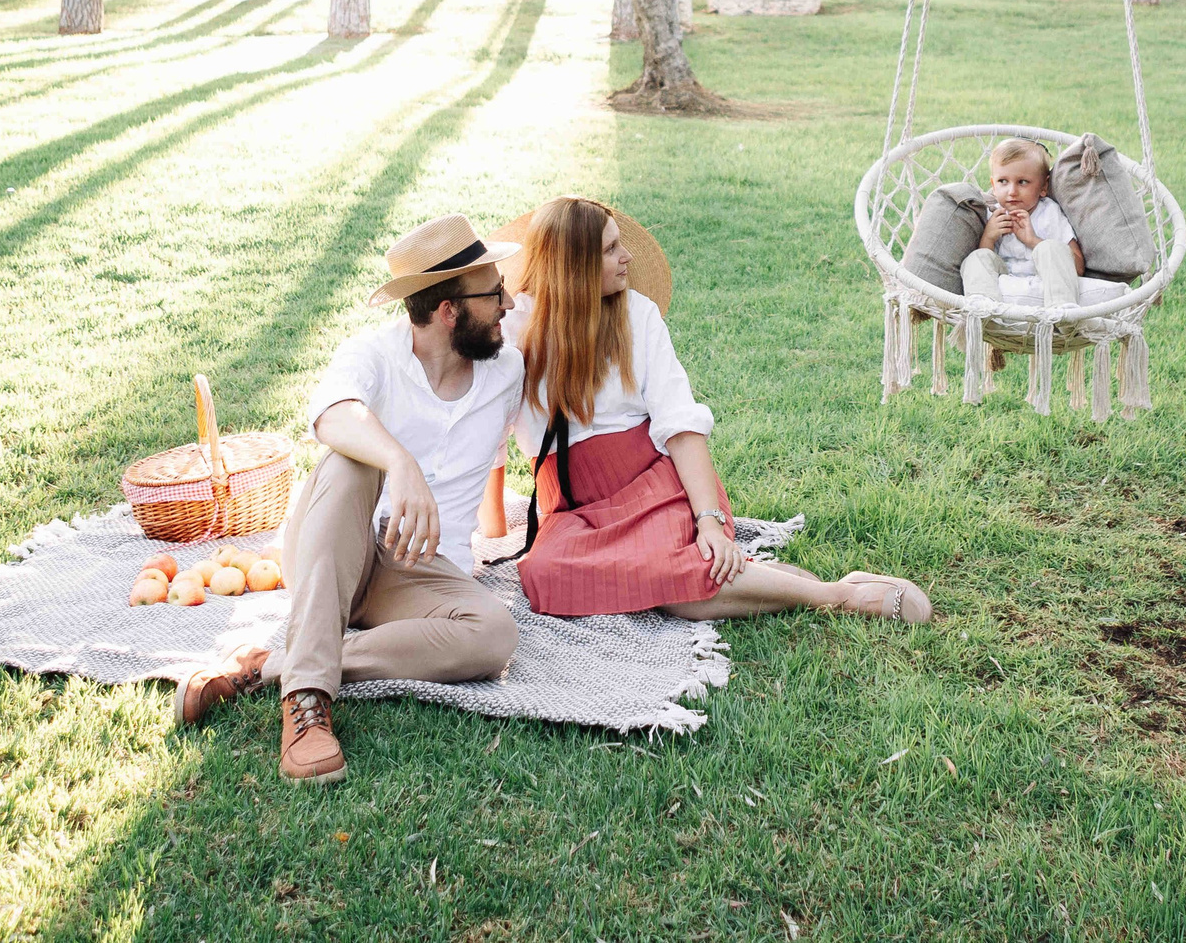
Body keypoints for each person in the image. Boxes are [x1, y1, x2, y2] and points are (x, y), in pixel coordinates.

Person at [176, 213, 525, 784]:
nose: (508, 303)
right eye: (494, 293)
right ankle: (307, 706)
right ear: (449, 311)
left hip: (421, 574)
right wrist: (399, 462)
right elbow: (332, 413)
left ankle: (274, 664)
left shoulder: (505, 369)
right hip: (340, 544)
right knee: (350, 460)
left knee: (495, 634)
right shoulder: (374, 354)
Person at [506, 196, 931, 625]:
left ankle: (838, 595)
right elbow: (485, 424)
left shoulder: (637, 315)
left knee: (678, 578)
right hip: (571, 504)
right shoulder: (513, 330)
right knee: (545, 574)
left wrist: (708, 520)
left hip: (650, 482)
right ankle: (772, 584)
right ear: (572, 266)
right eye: (610, 249)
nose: (626, 256)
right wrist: (486, 526)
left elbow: (679, 423)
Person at [959, 138, 1086, 309]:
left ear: (1043, 187)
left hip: (1045, 284)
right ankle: (983, 311)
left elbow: (1078, 266)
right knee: (976, 258)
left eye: (1022, 182)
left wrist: (1033, 241)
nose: (1012, 192)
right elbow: (987, 261)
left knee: (1052, 248)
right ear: (993, 186)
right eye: (1003, 181)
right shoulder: (994, 214)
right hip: (1004, 284)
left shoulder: (1049, 212)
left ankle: (1063, 313)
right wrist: (989, 236)